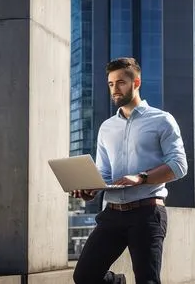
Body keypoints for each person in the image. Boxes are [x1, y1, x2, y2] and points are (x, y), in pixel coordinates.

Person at [72, 57, 188, 284]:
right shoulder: (107, 127)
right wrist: (91, 189)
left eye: (121, 82)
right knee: (85, 276)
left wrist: (141, 177)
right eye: (111, 84)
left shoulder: (161, 120)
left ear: (136, 83)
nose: (115, 89)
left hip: (147, 213)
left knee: (147, 280)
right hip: (112, 214)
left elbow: (179, 165)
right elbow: (104, 173)